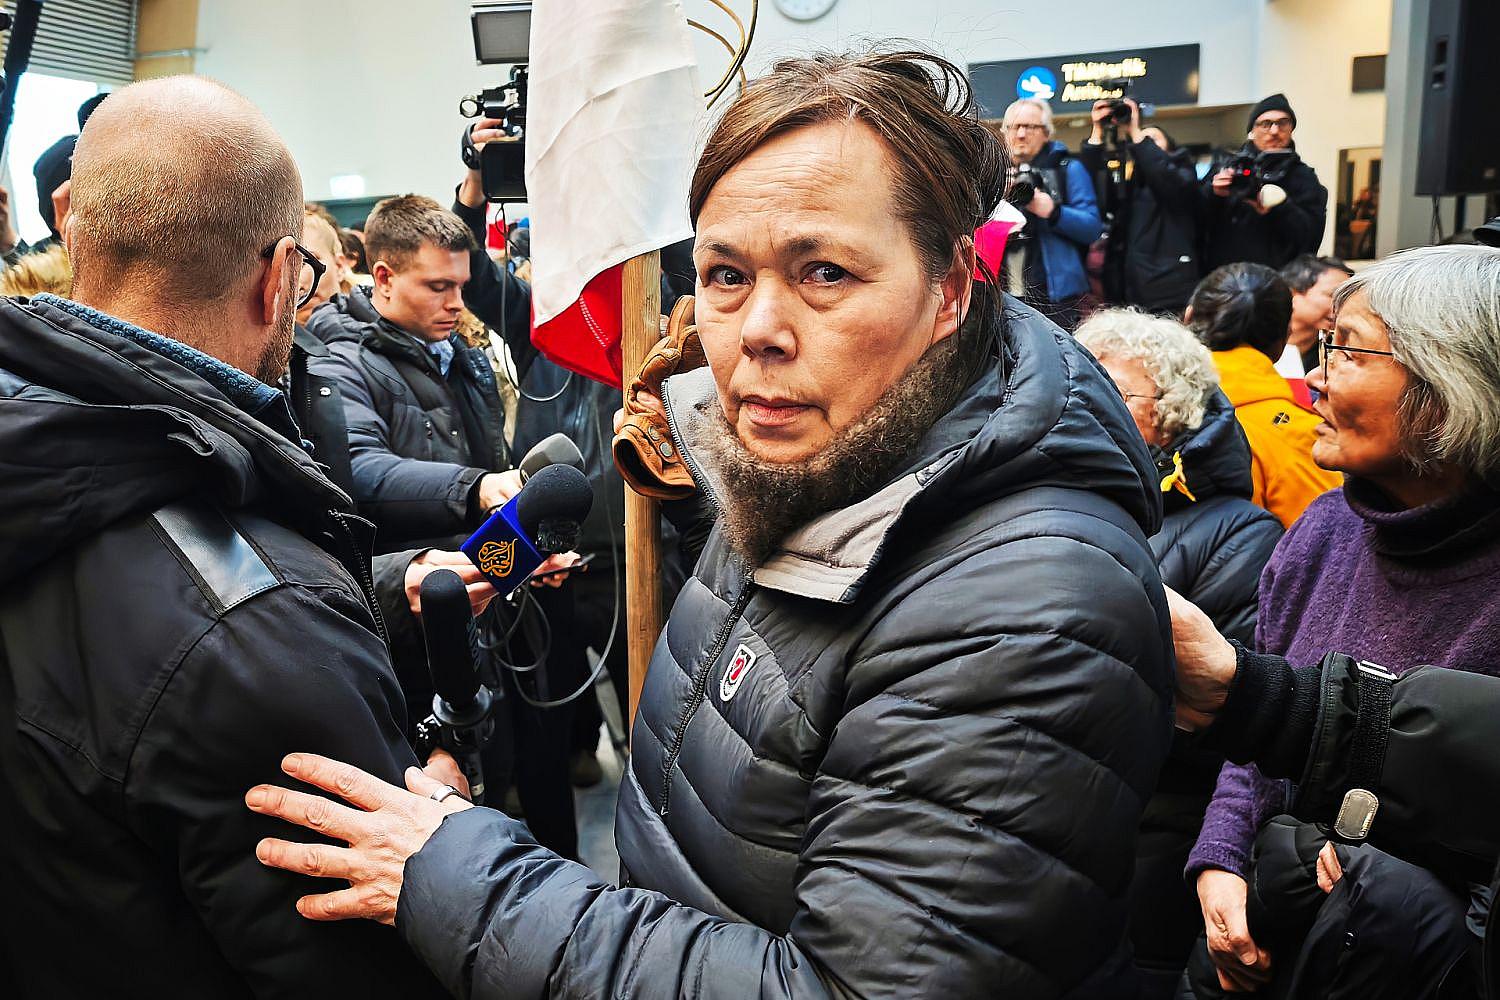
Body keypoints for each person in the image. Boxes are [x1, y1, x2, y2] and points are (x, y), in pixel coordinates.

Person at [246, 49, 1174, 998]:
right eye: (726, 274)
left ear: (950, 291)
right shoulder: (796, 460)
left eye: (824, 272)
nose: (758, 328)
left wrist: (461, 878)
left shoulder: (1023, 604)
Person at [0, 74, 454, 997]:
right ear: (280, 277)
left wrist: (376, 588)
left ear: (71, 220)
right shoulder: (260, 631)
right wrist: (445, 848)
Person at [1181, 244, 1500, 999]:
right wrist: (1221, 860)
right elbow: (1258, 729)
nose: (1316, 378)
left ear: (1451, 384)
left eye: (1347, 350)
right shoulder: (1324, 530)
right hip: (1262, 933)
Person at [1076, 308, 1282, 997]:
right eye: (1080, 380)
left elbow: (1222, 711)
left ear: (1171, 416)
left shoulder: (1238, 533)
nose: (1086, 399)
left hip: (1149, 843)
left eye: (1114, 389)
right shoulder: (1056, 501)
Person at [1186, 263, 1340, 528]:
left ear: (1188, 317)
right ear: (1284, 338)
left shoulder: (1136, 403)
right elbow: (1322, 537)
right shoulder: (1299, 435)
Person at [1078, 99, 1203, 314]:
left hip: (1169, 290)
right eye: (1140, 140)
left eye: (1152, 139)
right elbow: (1092, 187)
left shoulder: (1181, 171)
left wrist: (1135, 132)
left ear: (1170, 148)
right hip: (1127, 289)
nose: (1143, 142)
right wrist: (1097, 131)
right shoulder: (1130, 181)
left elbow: (1167, 181)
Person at [999, 96, 1103, 329]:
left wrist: (1054, 212)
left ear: (1046, 133)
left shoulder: (1068, 169)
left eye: (1030, 126)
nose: (1021, 134)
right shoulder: (995, 172)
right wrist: (996, 197)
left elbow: (1092, 227)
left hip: (1057, 297)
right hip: (1006, 293)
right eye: (1014, 127)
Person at [1203, 94, 1327, 271]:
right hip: (1226, 275)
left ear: (1291, 128)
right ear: (1252, 130)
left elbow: (1310, 238)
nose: (1274, 131)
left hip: (1279, 277)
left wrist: (1279, 206)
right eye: (1266, 124)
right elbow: (1196, 223)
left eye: (1283, 123)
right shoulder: (1227, 169)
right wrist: (1214, 194)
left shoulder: (1304, 177)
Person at [1275, 254, 1352, 378]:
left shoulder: (1337, 355)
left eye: (1346, 299)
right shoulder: (1254, 342)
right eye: (1332, 295)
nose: (1341, 307)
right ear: (1293, 293)